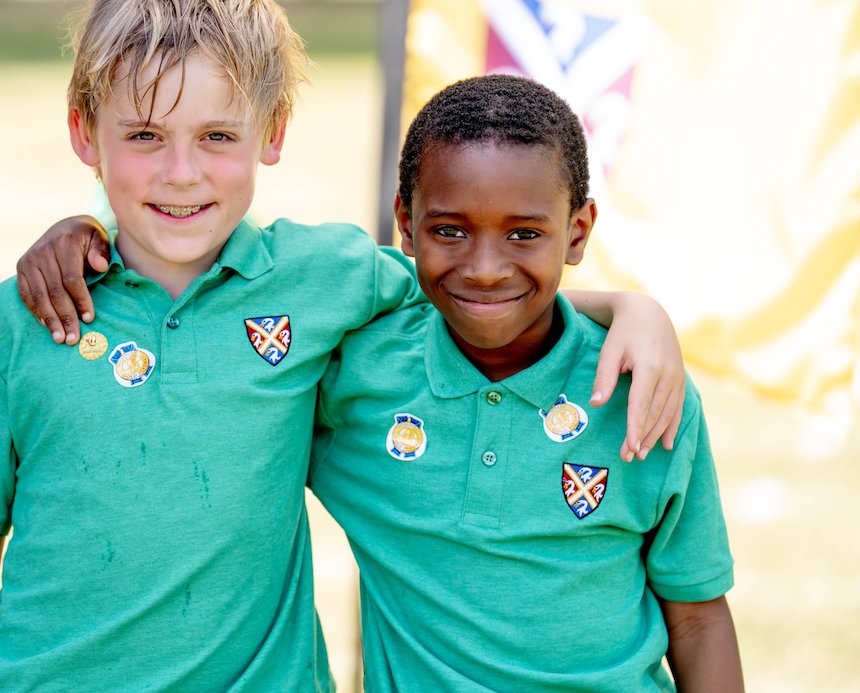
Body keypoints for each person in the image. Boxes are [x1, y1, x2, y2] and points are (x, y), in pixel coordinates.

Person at [0, 0, 685, 692]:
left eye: (217, 136)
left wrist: (628, 308)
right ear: (85, 134)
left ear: (271, 133)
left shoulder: (327, 278)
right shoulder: (22, 317)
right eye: (143, 135)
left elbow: (474, 289)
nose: (182, 172)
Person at [305, 74, 742, 689]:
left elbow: (697, 619)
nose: (485, 270)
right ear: (405, 223)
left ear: (578, 232)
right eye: (449, 230)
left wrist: (632, 308)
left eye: (524, 234)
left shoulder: (643, 387)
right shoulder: (357, 382)